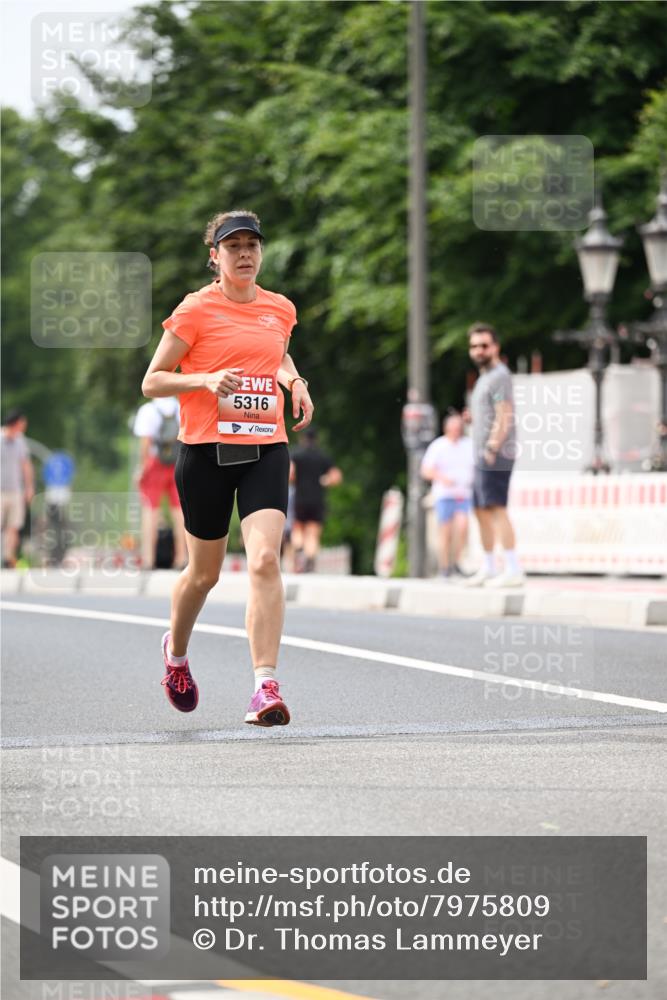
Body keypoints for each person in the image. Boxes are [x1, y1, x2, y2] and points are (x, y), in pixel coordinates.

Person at [141, 209, 313, 726]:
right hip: (206, 453)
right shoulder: (194, 310)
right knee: (204, 574)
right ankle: (176, 654)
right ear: (214, 257)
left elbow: (275, 354)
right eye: (232, 246)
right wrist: (204, 380)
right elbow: (152, 381)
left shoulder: (279, 308)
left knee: (263, 560)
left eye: (252, 246)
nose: (244, 254)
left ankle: (265, 686)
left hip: (265, 447)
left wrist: (294, 380)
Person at [465, 322, 524, 588]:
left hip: (495, 454)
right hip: (480, 453)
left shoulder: (499, 375)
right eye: (475, 346)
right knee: (480, 509)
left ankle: (513, 568)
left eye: (484, 345)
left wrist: (492, 446)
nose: (479, 350)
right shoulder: (485, 378)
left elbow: (505, 413)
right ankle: (489, 566)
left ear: (495, 347)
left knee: (496, 508)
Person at [133, 396, 188, 570]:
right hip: (177, 462)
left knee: (150, 510)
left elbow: (145, 442)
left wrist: (142, 468)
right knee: (180, 512)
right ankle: (182, 558)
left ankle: (148, 559)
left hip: (155, 464)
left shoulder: (148, 410)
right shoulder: (180, 406)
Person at [420, 411, 474, 577]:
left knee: (462, 527)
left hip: (463, 493)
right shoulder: (438, 446)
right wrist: (442, 478)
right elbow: (426, 470)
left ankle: (456, 561)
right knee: (446, 531)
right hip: (445, 494)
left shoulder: (468, 444)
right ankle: (444, 566)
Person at [290, 427, 342, 572]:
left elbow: (290, 474)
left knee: (298, 527)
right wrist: (325, 481)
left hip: (300, 497)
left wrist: (295, 481)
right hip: (317, 498)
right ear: (316, 439)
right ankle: (309, 557)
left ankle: (299, 549)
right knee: (313, 531)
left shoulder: (297, 455)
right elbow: (336, 477)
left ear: (302, 439)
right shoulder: (323, 457)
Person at [1, 410, 34, 568]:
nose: (24, 427)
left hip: (15, 490)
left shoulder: (20, 441)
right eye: (22, 423)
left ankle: (8, 558)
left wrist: (29, 487)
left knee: (13, 526)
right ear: (15, 423)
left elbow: (26, 465)